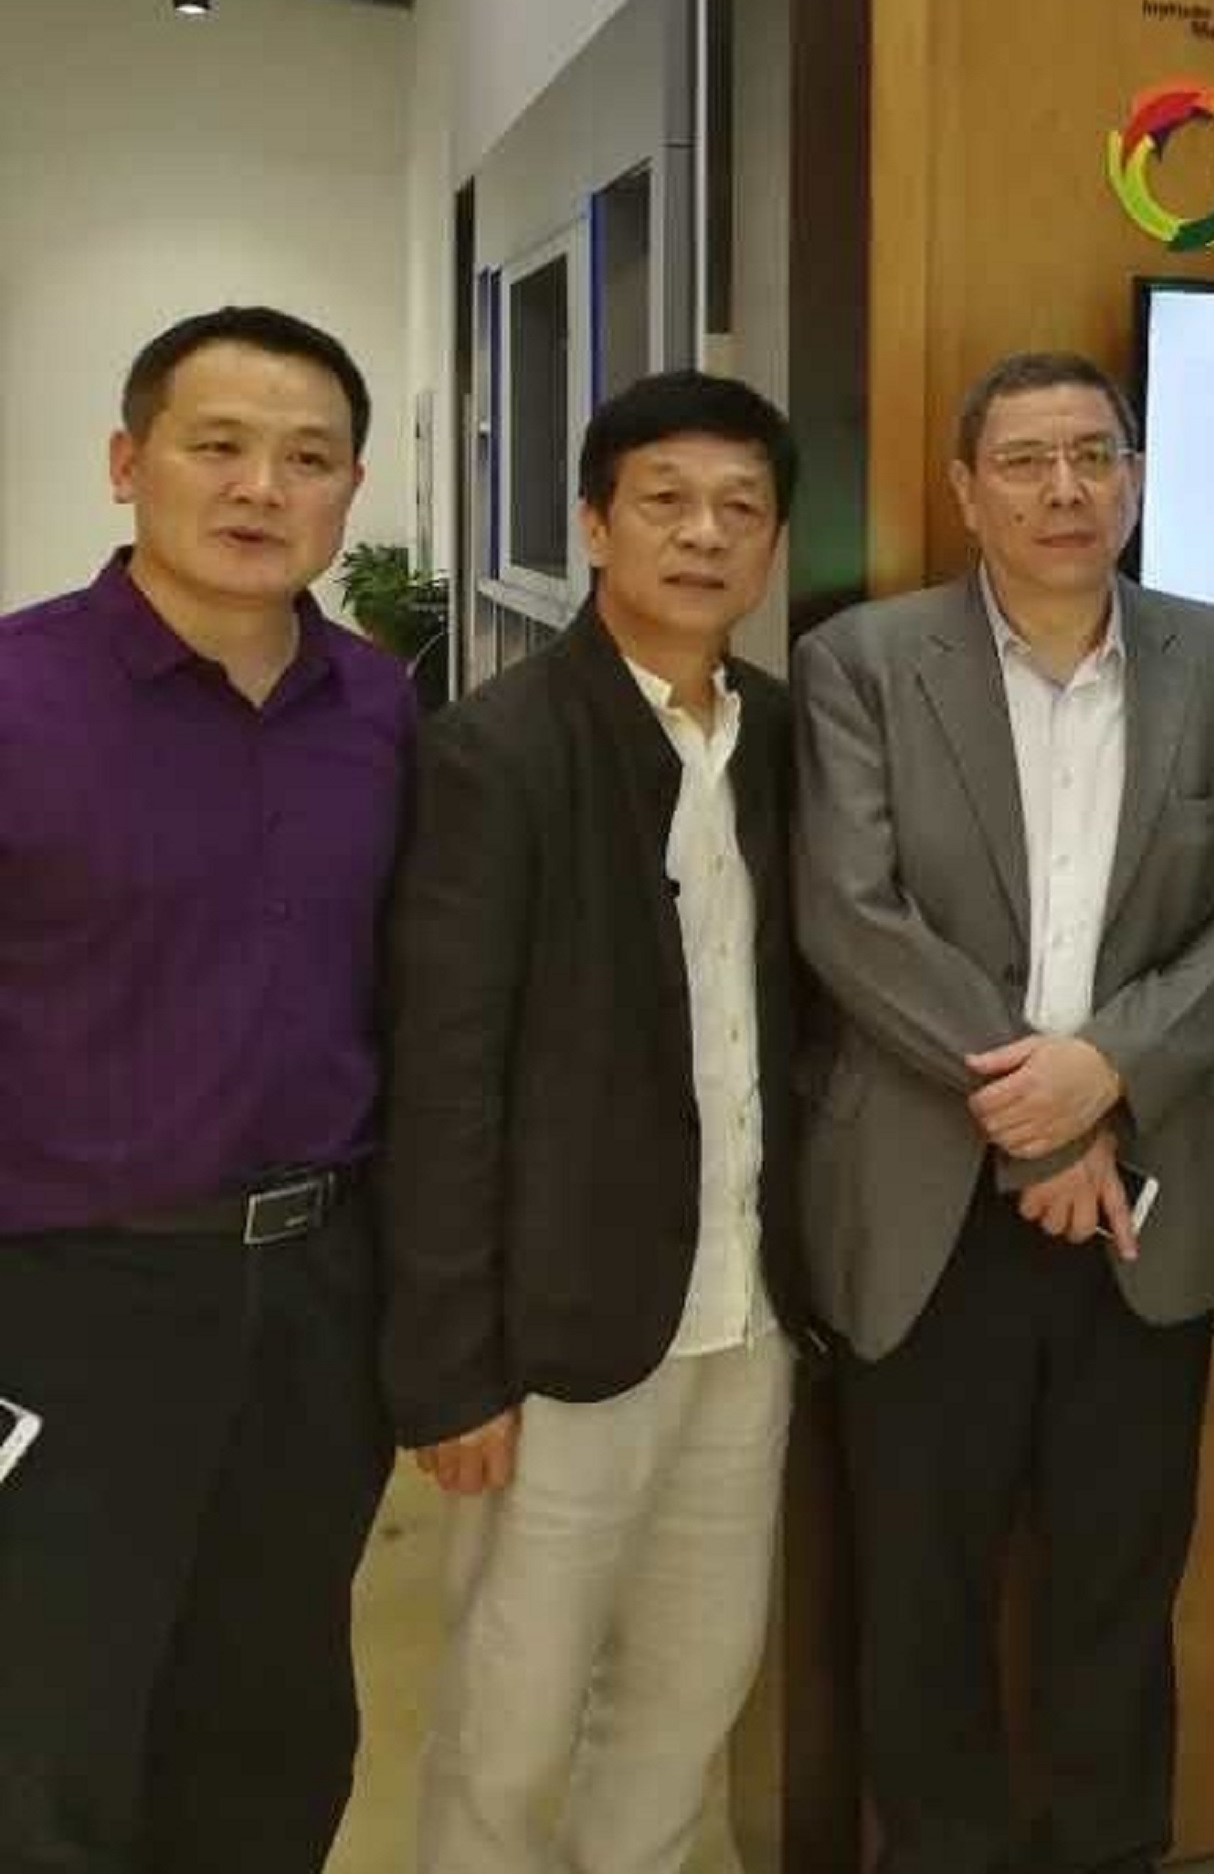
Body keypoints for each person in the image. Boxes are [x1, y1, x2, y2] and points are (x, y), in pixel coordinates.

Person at [795, 349, 1214, 1874]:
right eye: (1024, 460)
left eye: (1095, 455)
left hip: (1148, 1203)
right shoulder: (865, 663)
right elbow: (852, 918)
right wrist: (1048, 1113)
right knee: (920, 1594)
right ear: (966, 490)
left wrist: (1110, 1075)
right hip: (927, 1207)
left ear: (1135, 477)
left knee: (1117, 1592)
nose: (1064, 489)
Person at [0, 306, 412, 1872]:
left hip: (315, 1295)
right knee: (50, 1727)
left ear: (350, 488)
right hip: (63, 1297)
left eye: (308, 458)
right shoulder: (19, 697)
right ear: (128, 462)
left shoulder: (380, 712)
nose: (261, 489)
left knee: (274, 1721)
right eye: (218, 446)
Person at [382, 372, 811, 1873]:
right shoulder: (497, 749)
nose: (705, 535)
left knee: (688, 1696)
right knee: (512, 1719)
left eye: (741, 508)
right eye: (665, 501)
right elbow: (443, 1081)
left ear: (773, 543)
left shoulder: (780, 736)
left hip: (746, 1311)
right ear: (592, 524)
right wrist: (451, 1367)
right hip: (562, 1330)